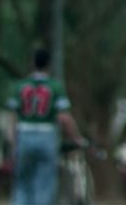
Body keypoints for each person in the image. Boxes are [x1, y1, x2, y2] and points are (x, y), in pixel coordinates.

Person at [6, 48, 87, 205]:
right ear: (49, 65)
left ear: (32, 64)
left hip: (24, 135)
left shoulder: (20, 86)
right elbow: (64, 117)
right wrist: (76, 138)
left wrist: (12, 142)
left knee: (22, 184)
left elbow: (12, 117)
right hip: (46, 136)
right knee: (44, 185)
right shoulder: (55, 87)